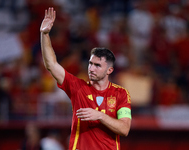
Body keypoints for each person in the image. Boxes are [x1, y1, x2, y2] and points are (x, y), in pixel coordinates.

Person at [40, 7, 132, 150]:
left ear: (109, 70)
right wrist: (44, 34)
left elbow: (124, 129)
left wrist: (100, 116)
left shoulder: (121, 94)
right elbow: (51, 65)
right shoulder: (78, 87)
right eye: (90, 64)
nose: (91, 68)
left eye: (97, 65)